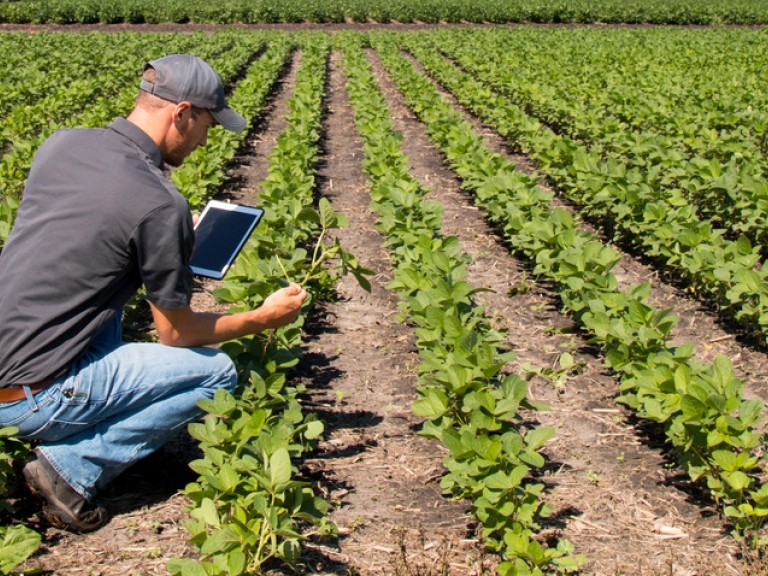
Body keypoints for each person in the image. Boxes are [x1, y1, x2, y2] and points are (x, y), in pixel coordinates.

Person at [0, 54, 308, 533]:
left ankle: (75, 416)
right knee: (216, 373)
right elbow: (174, 334)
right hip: (31, 397)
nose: (206, 139)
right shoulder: (159, 203)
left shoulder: (62, 144)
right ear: (181, 113)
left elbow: (91, 231)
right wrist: (263, 318)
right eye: (207, 123)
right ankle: (71, 468)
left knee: (109, 302)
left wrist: (164, 241)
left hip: (9, 356)